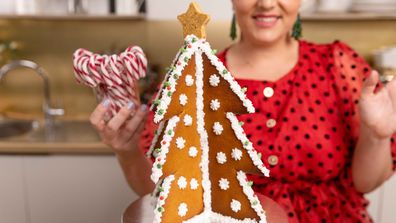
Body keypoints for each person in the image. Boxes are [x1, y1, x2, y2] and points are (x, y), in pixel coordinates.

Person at [90, 0, 396, 222]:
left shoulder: (337, 65)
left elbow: (364, 183)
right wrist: (128, 152)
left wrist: (378, 135)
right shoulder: (195, 77)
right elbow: (166, 196)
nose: (265, 4)